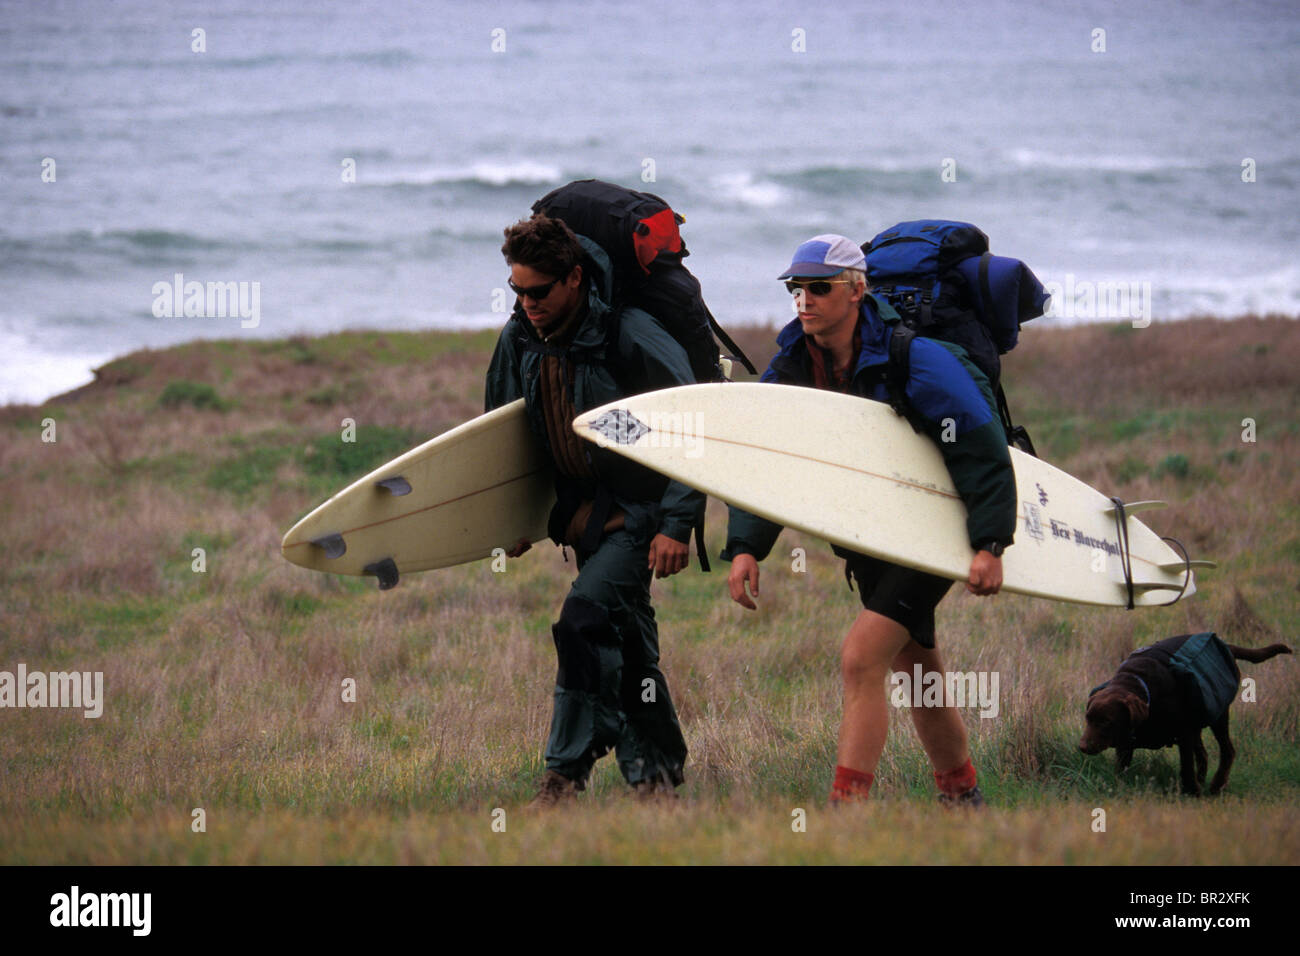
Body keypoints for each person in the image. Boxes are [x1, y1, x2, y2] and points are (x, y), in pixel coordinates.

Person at [721, 234, 1017, 806]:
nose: (804, 300)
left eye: (819, 288)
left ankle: (846, 812)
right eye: (796, 289)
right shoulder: (793, 366)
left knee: (861, 659)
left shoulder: (914, 358)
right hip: (873, 541)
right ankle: (964, 798)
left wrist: (989, 543)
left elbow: (983, 449)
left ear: (857, 291)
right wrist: (746, 546)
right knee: (917, 672)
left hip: (936, 532)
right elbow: (768, 458)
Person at [484, 213, 703, 806]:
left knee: (579, 622)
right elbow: (499, 434)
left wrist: (677, 523)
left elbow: (690, 422)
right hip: (580, 519)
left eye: (539, 291)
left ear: (575, 278)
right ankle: (656, 776)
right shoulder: (519, 339)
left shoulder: (626, 333)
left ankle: (565, 772)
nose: (526, 303)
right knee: (626, 641)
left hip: (640, 513)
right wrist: (510, 520)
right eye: (517, 291)